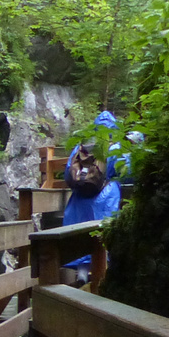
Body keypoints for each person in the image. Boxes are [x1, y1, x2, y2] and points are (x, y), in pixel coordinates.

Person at [60, 111, 138, 280]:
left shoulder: (81, 148)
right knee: (100, 239)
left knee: (80, 239)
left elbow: (67, 173)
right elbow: (129, 172)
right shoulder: (116, 147)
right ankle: (101, 280)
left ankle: (82, 275)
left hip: (79, 202)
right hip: (105, 199)